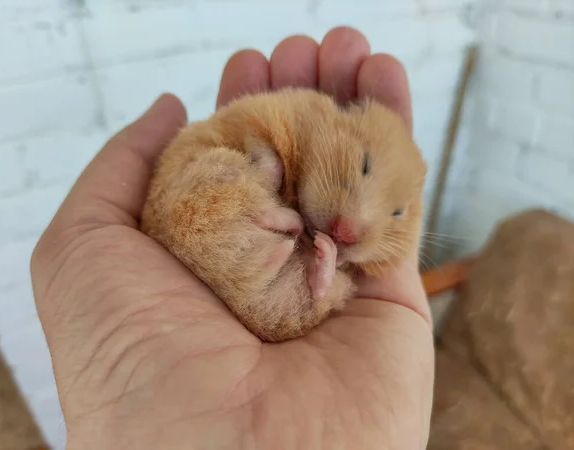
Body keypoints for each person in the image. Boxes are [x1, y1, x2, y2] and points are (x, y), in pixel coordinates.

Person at [31, 27, 434, 449]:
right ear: (345, 117)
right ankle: (281, 242)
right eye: (364, 165)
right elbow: (243, 124)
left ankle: (307, 272)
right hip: (204, 222)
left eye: (397, 213)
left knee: (338, 286)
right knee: (208, 178)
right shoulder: (302, 113)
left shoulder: (376, 248)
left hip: (276, 292)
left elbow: (382, 254)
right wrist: (263, 159)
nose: (352, 225)